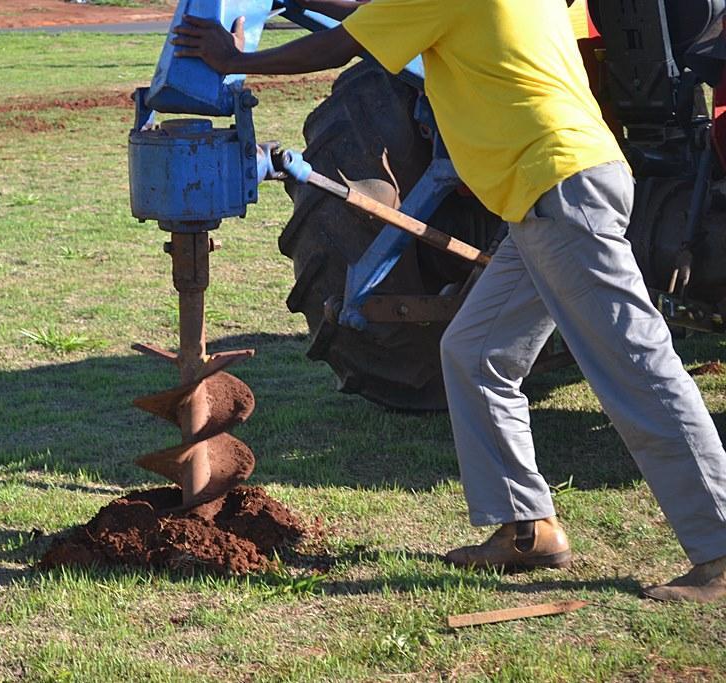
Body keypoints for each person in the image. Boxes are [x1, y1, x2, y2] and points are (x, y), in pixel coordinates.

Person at [172, 0, 726, 603]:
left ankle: (719, 549)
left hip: (557, 191)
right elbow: (371, 13)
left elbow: (338, 44)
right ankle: (528, 528)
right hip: (550, 191)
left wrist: (236, 59)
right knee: (475, 351)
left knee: (636, 367)